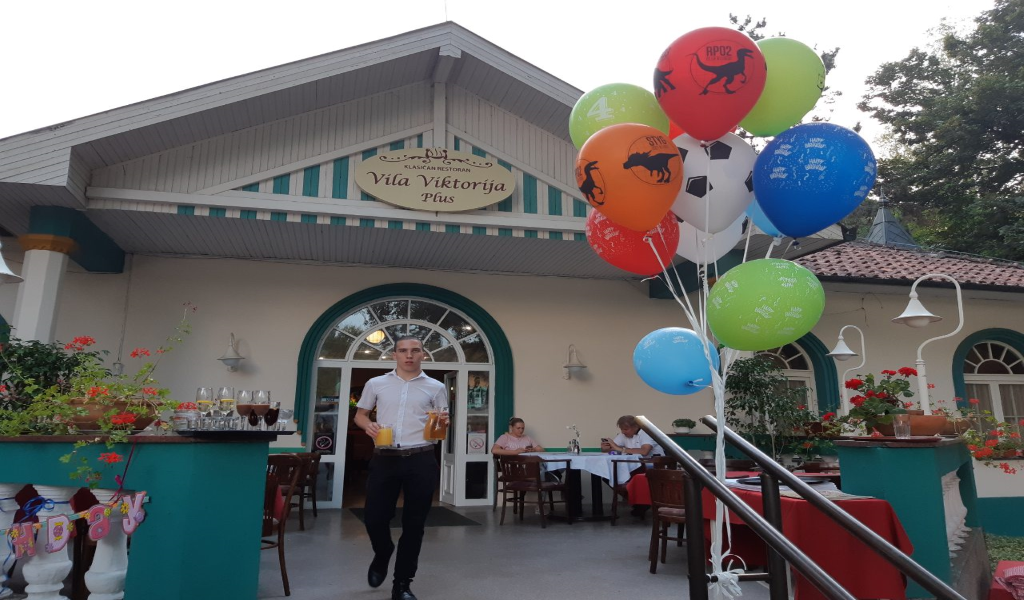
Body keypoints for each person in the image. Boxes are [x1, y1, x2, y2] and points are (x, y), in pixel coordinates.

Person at [354, 336, 448, 600]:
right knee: (374, 517)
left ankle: (402, 584)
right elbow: (360, 415)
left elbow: (441, 421)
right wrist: (368, 425)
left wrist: (442, 423)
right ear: (394, 355)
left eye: (415, 350)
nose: (409, 355)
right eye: (403, 351)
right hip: (385, 458)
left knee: (414, 525)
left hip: (421, 458)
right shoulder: (376, 384)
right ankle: (383, 551)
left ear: (423, 355)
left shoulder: (436, 387)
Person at [600, 415, 663, 518]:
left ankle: (642, 503)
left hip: (652, 466)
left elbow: (644, 451)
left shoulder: (646, 434)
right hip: (633, 466)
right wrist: (605, 448)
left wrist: (620, 449)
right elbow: (613, 448)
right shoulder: (623, 435)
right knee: (608, 476)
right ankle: (639, 504)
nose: (623, 432)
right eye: (621, 429)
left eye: (626, 429)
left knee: (630, 474)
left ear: (636, 427)